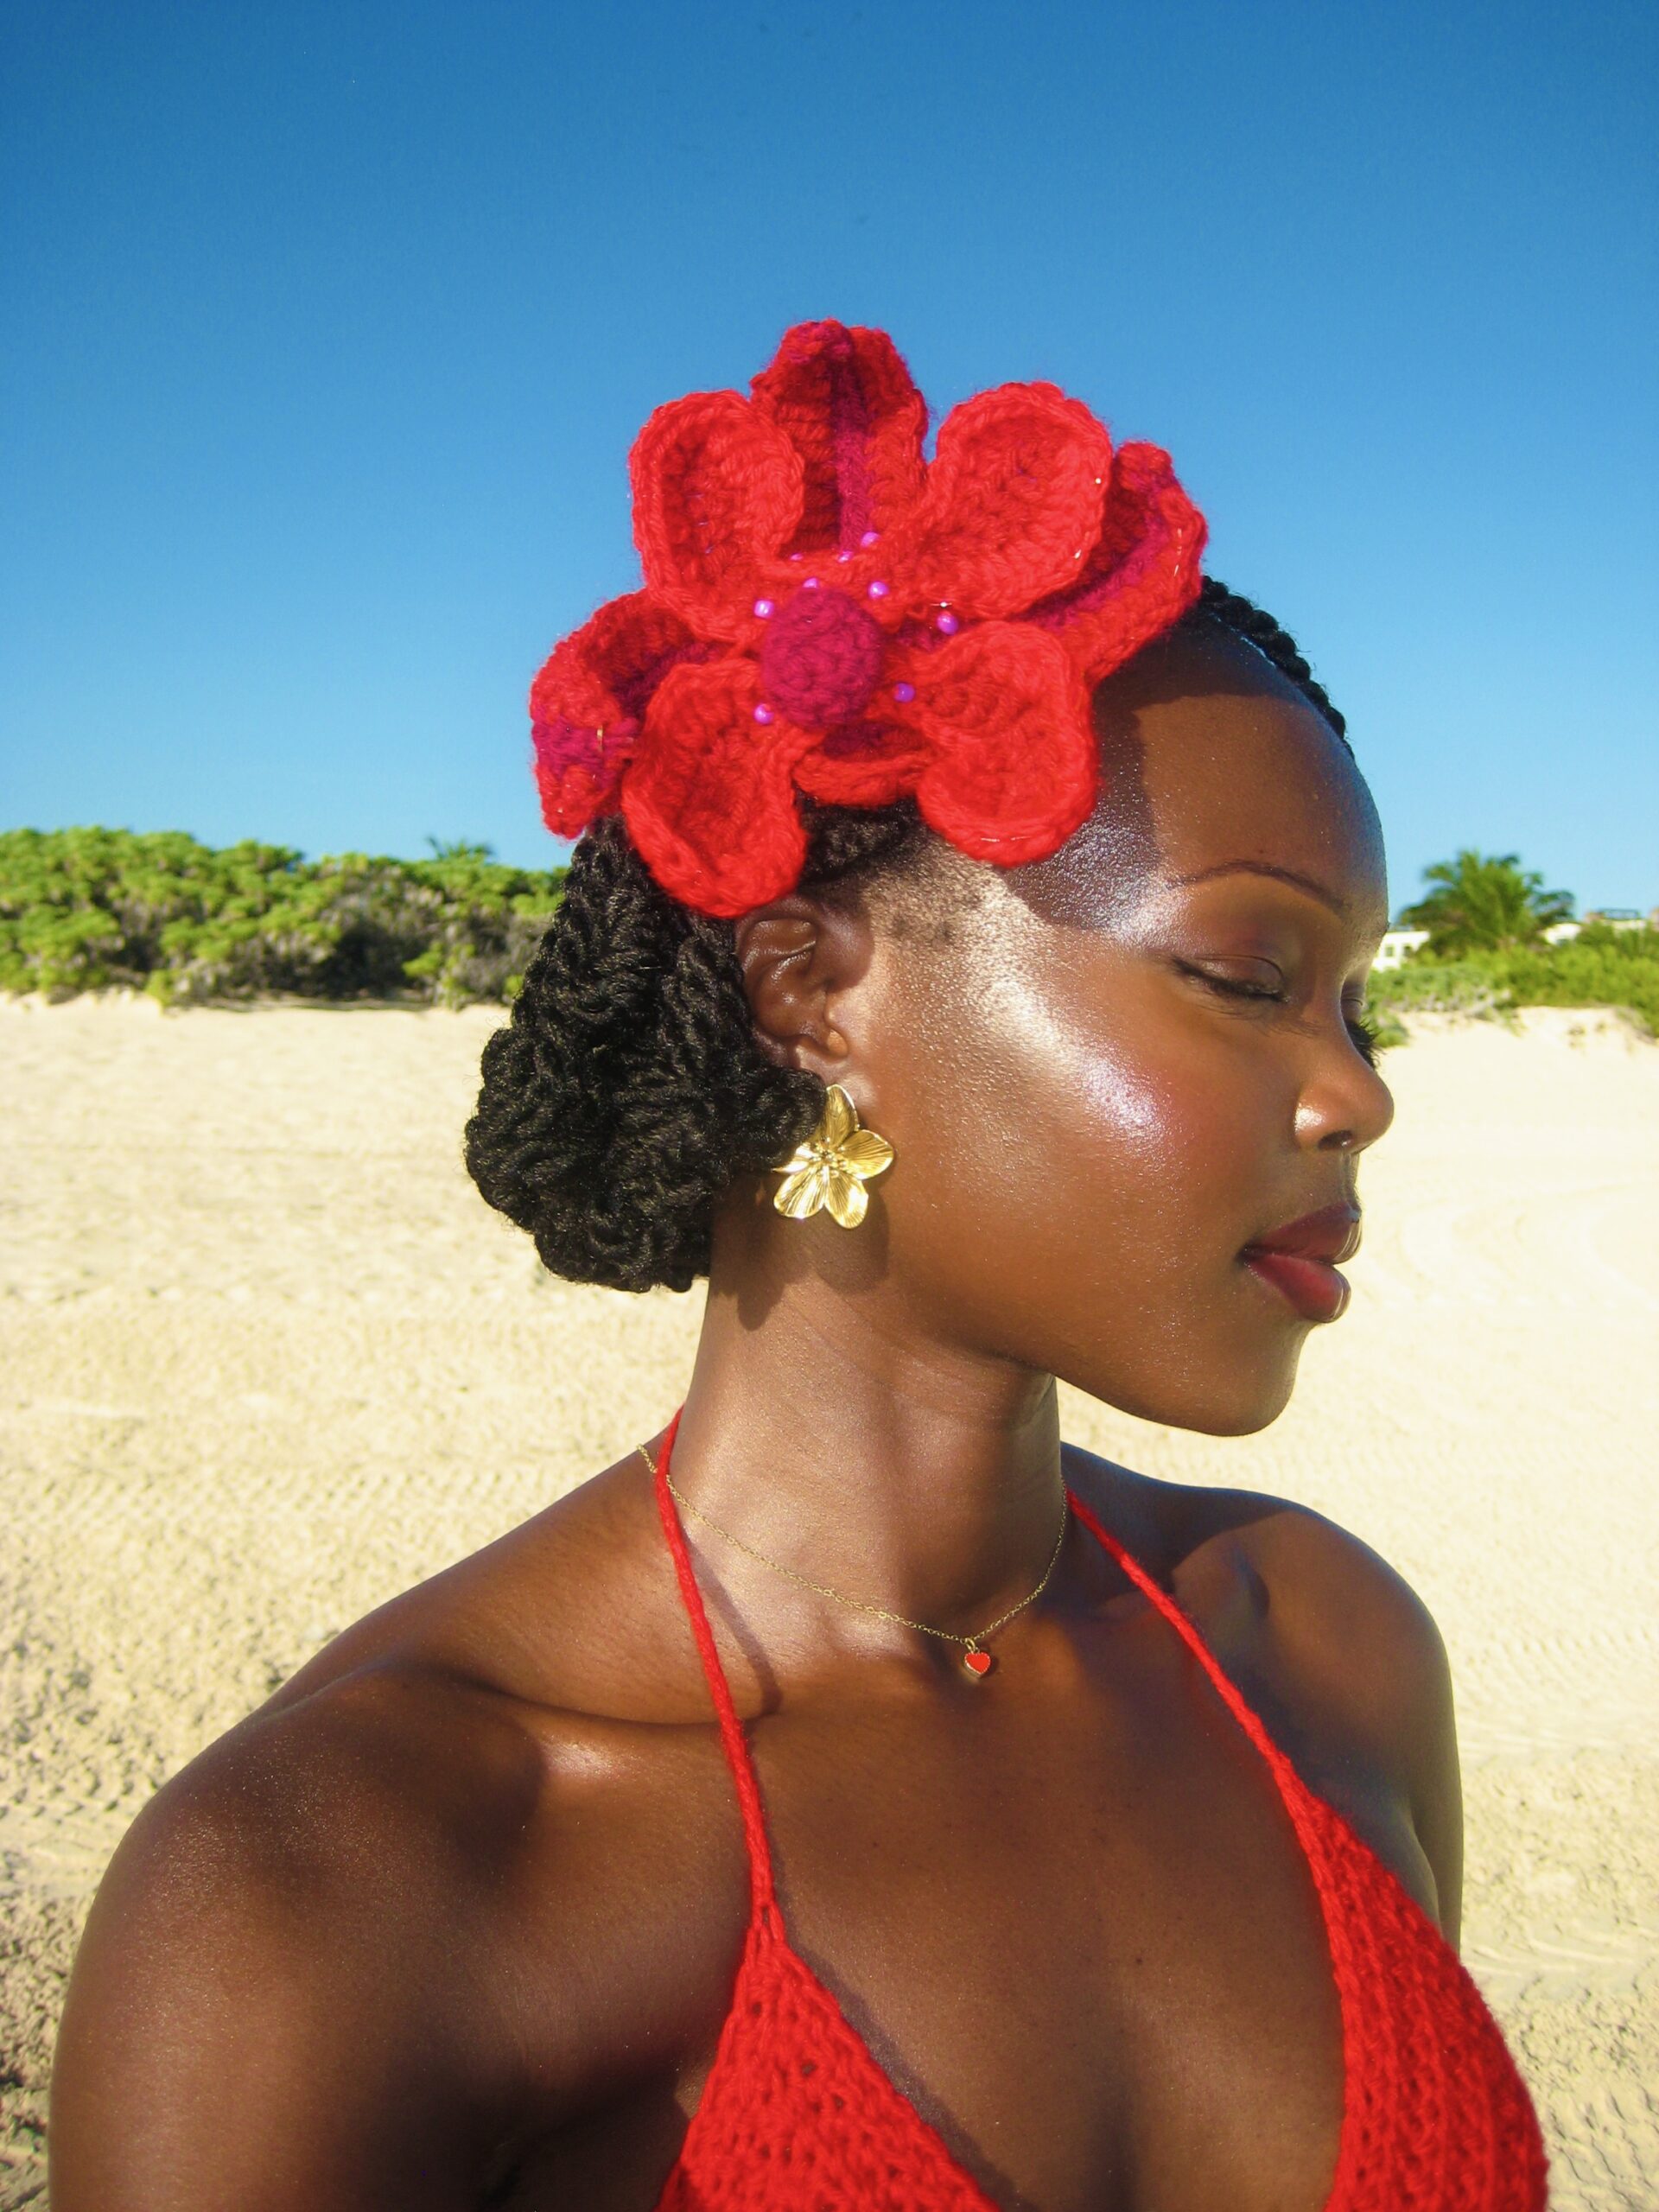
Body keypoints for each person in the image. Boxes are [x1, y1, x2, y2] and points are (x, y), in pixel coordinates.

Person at [50, 321, 1548, 2210]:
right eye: (1247, 975)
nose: (1356, 1094)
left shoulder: (1324, 1648)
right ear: (813, 991)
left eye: (1356, 999)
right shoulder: (347, 1887)